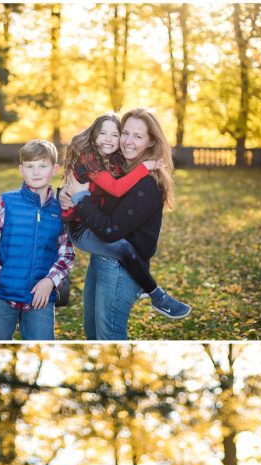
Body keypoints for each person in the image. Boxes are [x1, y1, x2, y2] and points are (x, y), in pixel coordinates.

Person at [60, 108, 190, 339]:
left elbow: (111, 231)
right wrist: (67, 195)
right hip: (100, 258)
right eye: (125, 133)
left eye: (138, 136)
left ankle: (154, 293)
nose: (127, 141)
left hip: (119, 267)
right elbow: (93, 192)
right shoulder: (115, 165)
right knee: (93, 334)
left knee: (108, 337)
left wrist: (80, 198)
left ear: (151, 143)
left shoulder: (147, 184)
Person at [0, 139, 74, 340]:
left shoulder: (60, 209)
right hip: (1, 297)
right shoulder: (6, 202)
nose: (36, 172)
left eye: (42, 166)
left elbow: (67, 252)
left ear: (54, 169)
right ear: (21, 170)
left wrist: (50, 281)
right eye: (30, 166)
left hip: (40, 299)